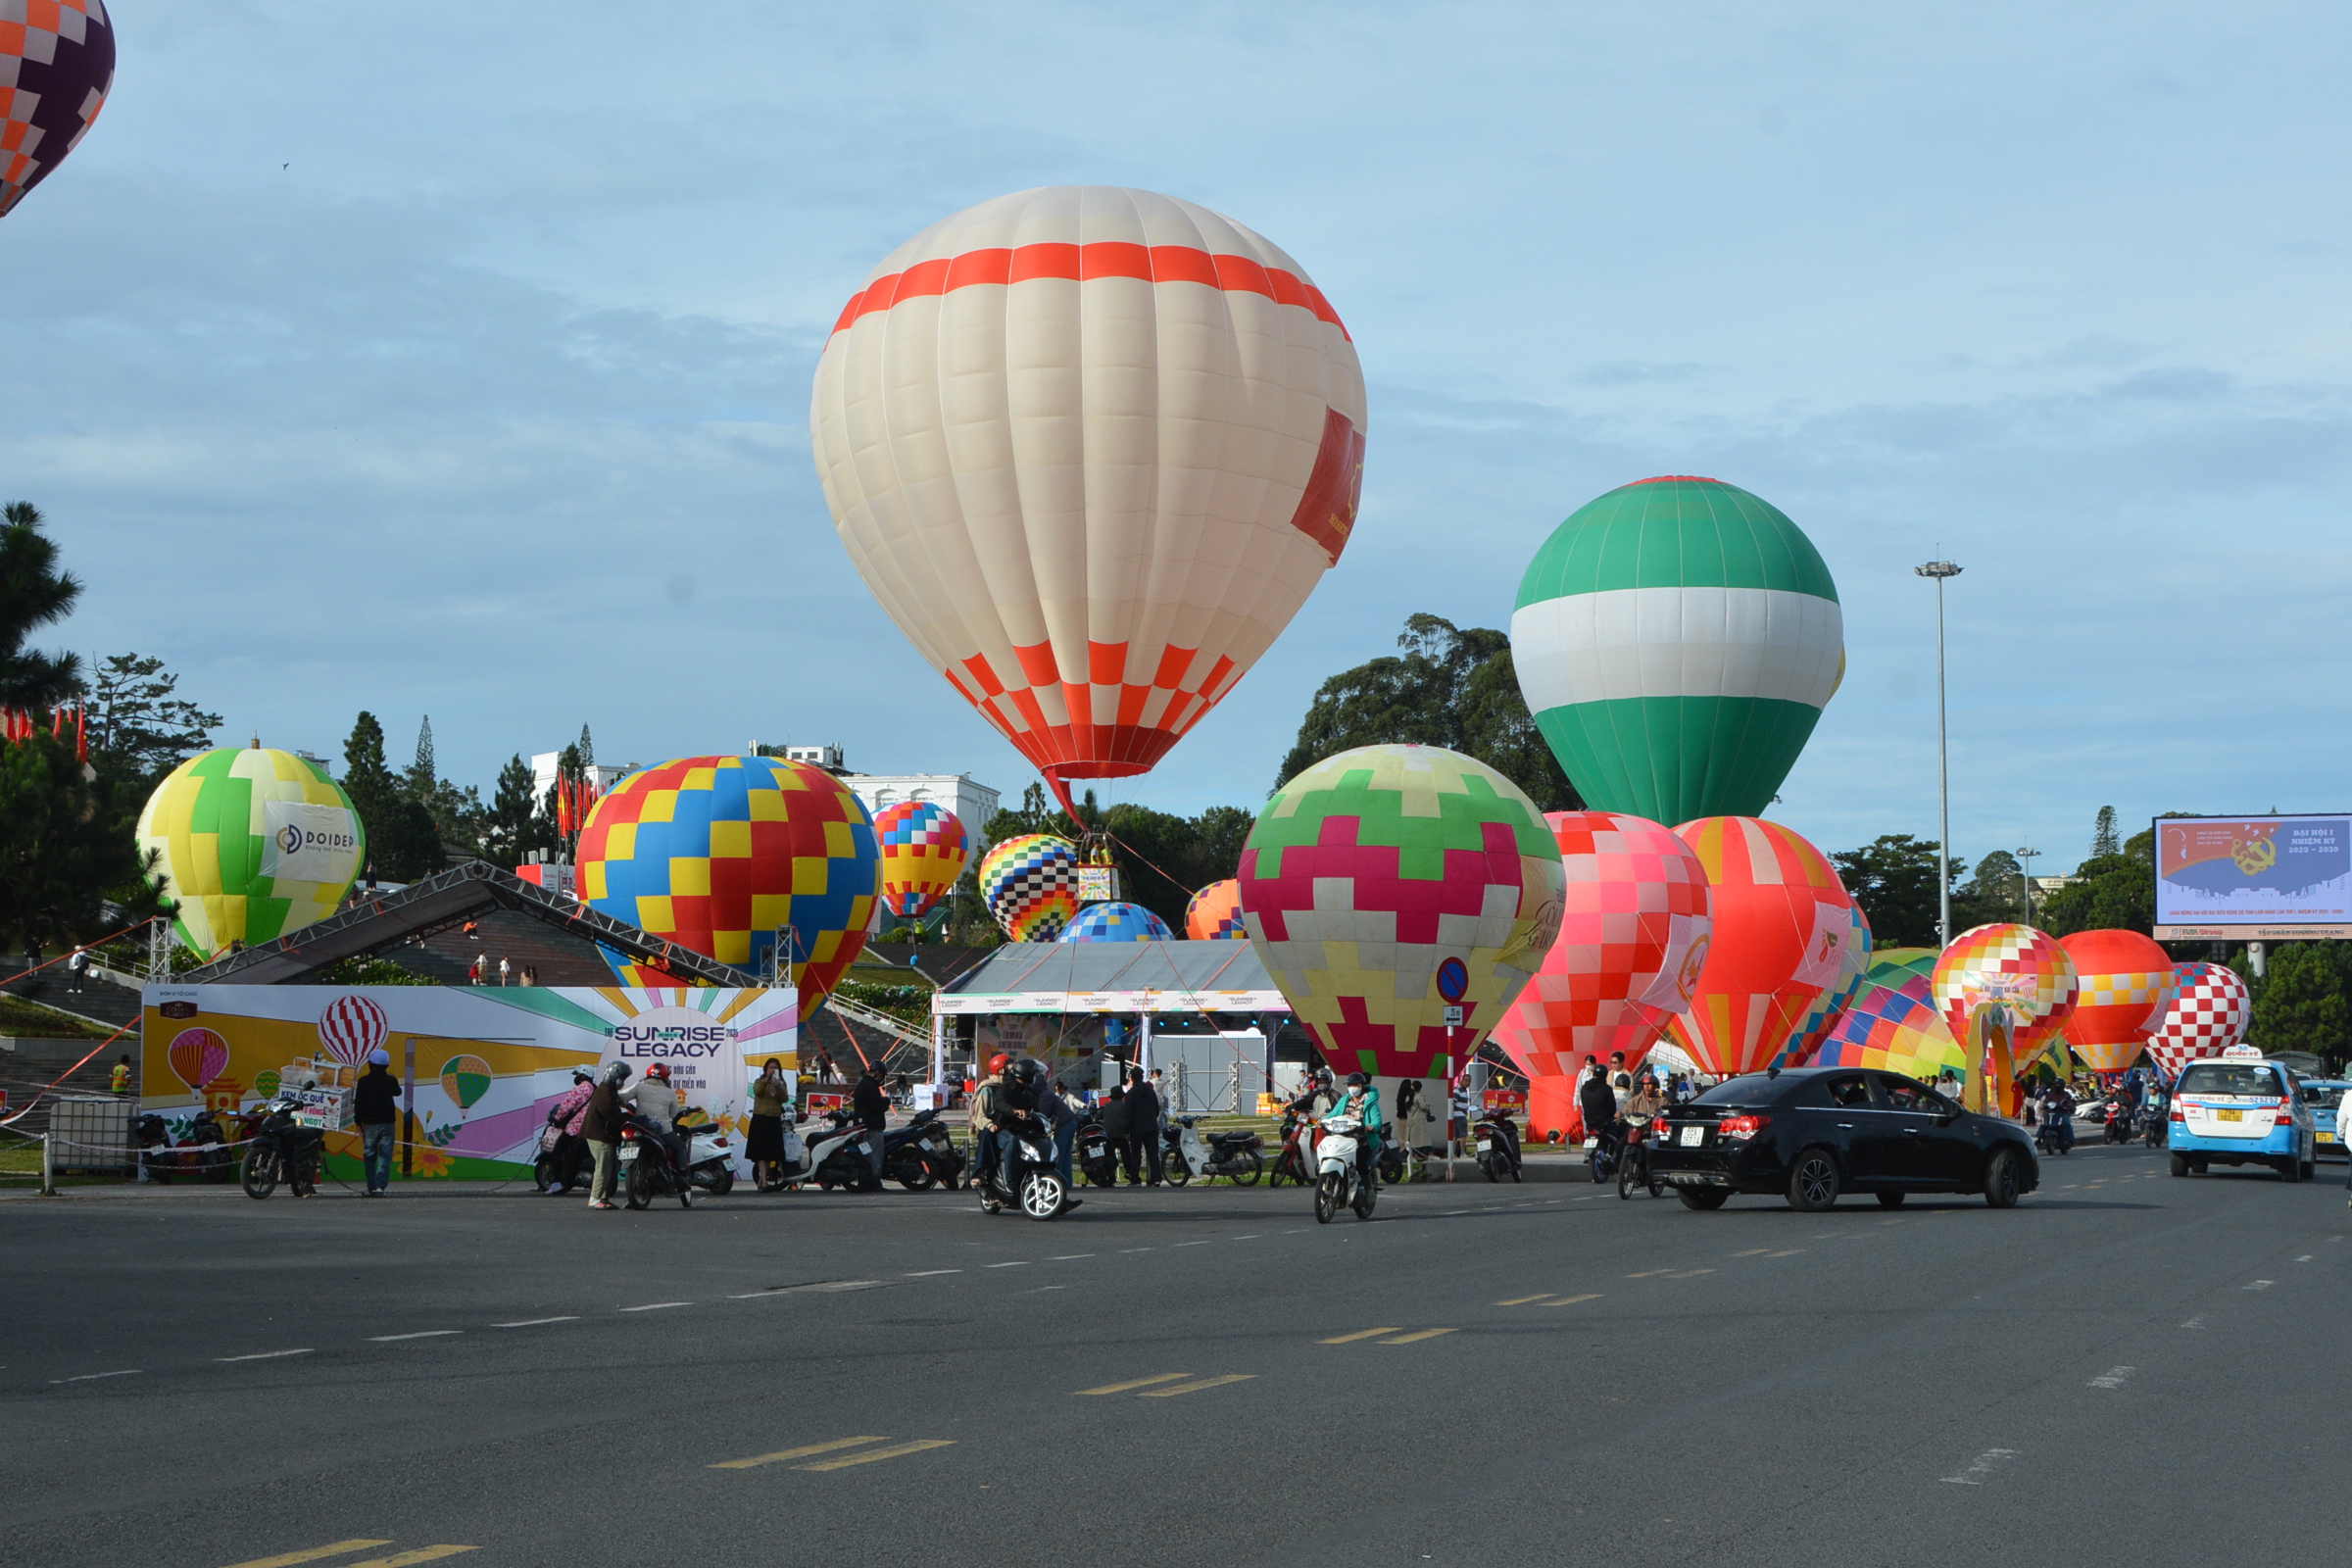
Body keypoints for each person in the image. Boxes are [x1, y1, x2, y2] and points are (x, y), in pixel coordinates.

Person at [354, 1047, 404, 1197]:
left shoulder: (363, 1082)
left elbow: (359, 1104)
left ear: (370, 1064)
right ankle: (381, 1187)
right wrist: (394, 1079)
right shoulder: (389, 1081)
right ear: (386, 1065)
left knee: (369, 1157)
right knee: (385, 1157)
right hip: (388, 1124)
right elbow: (398, 1092)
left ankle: (372, 1187)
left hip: (369, 1124)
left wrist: (358, 1123)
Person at [581, 1061, 632, 1209]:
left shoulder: (607, 1090)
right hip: (600, 1135)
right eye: (622, 1078)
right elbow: (608, 1111)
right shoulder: (605, 1092)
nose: (622, 1082)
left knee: (609, 1167)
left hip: (602, 1134)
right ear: (615, 1077)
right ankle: (595, 1198)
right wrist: (624, 1121)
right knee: (603, 1167)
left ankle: (603, 1198)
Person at [1324, 1071, 1385, 1191]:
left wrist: (1370, 1127)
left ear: (1362, 1085)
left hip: (1363, 1140)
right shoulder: (1344, 1100)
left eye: (1356, 1085)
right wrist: (1322, 1121)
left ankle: (1368, 1190)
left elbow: (1377, 1119)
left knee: (1360, 1161)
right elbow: (1333, 1114)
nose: (1352, 1087)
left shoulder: (1370, 1101)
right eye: (1350, 1085)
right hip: (1342, 1138)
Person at [544, 1067, 598, 1194]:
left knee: (557, 1152)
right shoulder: (596, 1089)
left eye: (578, 1075)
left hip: (575, 1128)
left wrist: (557, 1119)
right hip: (591, 1127)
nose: (576, 1077)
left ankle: (557, 1183)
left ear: (583, 1076)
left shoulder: (579, 1089)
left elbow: (566, 1107)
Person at [747, 1058, 791, 1191]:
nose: (772, 1070)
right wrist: (767, 1079)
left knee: (770, 1153)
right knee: (761, 1153)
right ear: (766, 1069)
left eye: (775, 1068)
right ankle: (764, 1180)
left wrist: (779, 1088)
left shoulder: (781, 1083)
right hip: (761, 1119)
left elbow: (785, 1099)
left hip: (773, 1119)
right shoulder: (760, 1081)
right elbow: (757, 1091)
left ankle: (762, 1179)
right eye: (770, 1067)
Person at [970, 1054, 1009, 1192]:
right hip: (991, 1127)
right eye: (1009, 1066)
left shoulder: (1010, 1088)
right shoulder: (988, 1089)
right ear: (1001, 1070)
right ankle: (980, 1172)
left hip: (1007, 1126)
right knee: (987, 1135)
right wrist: (990, 1125)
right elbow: (979, 1116)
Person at [1124, 1067, 1163, 1186]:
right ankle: (1156, 1178)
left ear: (1131, 1078)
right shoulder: (1151, 1091)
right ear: (1142, 1077)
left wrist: (1127, 1130)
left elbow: (1128, 1113)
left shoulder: (1131, 1093)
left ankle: (1135, 1179)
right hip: (1151, 1126)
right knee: (1153, 1154)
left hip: (1137, 1128)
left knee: (1136, 1154)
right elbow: (1157, 1109)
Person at [1577, 1054, 1618, 1167]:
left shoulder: (1584, 1087)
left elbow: (1583, 1101)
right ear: (1605, 1076)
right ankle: (1614, 1157)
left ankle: (1589, 1154)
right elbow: (1612, 1109)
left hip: (1589, 1121)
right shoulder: (1606, 1089)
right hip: (1604, 1123)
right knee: (1619, 1135)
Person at [854, 1063, 889, 1190]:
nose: (882, 1078)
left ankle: (868, 1180)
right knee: (875, 1156)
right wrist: (886, 1101)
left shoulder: (862, 1084)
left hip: (863, 1126)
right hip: (872, 1126)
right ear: (877, 1073)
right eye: (882, 1075)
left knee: (867, 1155)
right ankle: (874, 1182)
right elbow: (877, 1106)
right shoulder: (871, 1086)